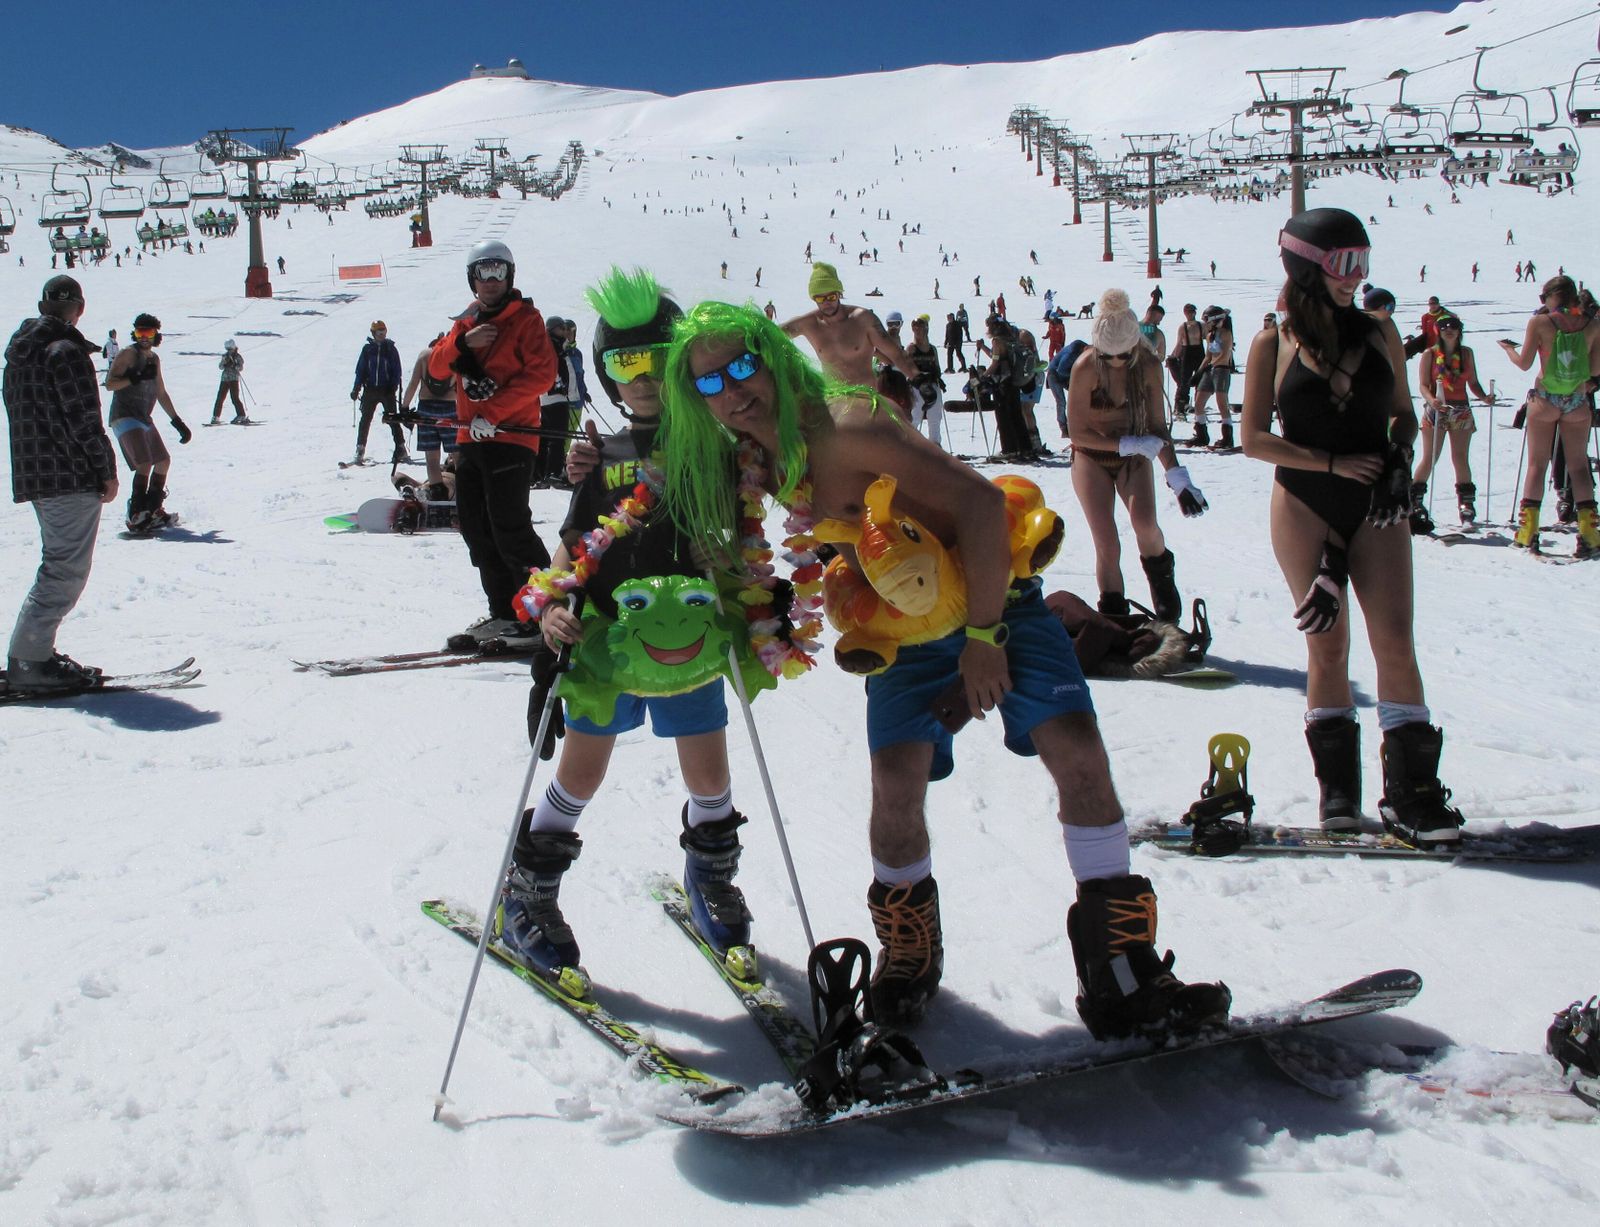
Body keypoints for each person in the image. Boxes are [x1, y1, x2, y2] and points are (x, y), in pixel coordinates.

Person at [656, 300, 1231, 1039]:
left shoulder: (846, 425)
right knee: (895, 787)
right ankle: (908, 957)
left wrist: (986, 638)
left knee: (1078, 755)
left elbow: (983, 504)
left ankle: (1121, 965)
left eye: (743, 365)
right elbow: (658, 467)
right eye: (710, 383)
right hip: (903, 630)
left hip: (996, 598)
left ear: (772, 354)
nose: (733, 390)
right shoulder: (754, 459)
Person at [499, 267, 756, 983]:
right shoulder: (599, 458)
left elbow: (746, 541)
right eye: (623, 363)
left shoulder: (712, 447)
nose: (641, 379)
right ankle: (529, 889)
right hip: (609, 639)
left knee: (709, 768)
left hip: (690, 643)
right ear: (607, 375)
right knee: (582, 768)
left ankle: (710, 876)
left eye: (655, 359)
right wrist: (550, 602)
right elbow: (573, 543)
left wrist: (726, 557)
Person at [1240, 207, 1463, 846]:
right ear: (1307, 266)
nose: (1355, 277)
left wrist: (1397, 459)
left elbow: (1401, 412)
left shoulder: (1379, 332)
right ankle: (1338, 789)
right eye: (1343, 264)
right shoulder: (1271, 343)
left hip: (1376, 505)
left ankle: (1411, 792)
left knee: (1395, 639)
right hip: (1304, 503)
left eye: (1362, 263)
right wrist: (1332, 461)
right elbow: (1255, 440)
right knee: (1327, 645)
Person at [427, 239, 558, 643]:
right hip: (471, 438)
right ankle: (504, 611)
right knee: (476, 527)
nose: (491, 280)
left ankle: (542, 614)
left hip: (512, 437)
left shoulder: (526, 319)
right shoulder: (465, 322)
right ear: (472, 278)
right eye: (483, 271)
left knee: (509, 526)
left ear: (510, 275)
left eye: (499, 271)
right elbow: (436, 366)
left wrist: (493, 412)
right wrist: (463, 344)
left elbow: (542, 375)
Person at [4, 276, 118, 692]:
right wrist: (105, 469)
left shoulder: (19, 355)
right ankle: (30, 663)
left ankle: (31, 656)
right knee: (64, 571)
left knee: (58, 565)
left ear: (42, 305)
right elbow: (84, 418)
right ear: (79, 309)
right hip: (69, 474)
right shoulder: (66, 352)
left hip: (36, 475)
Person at [1068, 289, 1206, 621]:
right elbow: (1077, 433)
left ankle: (1162, 580)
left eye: (1122, 355)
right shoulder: (1085, 366)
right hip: (1091, 457)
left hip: (1135, 455)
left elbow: (1158, 425)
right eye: (1109, 356)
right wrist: (1124, 444)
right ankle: (1113, 610)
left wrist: (1177, 475)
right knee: (1107, 541)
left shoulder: (1147, 365)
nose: (1116, 362)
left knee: (1145, 524)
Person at [1498, 275, 1600, 556]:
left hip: (1544, 399)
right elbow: (1595, 369)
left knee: (1537, 464)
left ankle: (1528, 530)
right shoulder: (1592, 324)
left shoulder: (1540, 323)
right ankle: (1590, 532)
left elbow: (1525, 363)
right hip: (1577, 401)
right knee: (1578, 466)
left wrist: (1509, 350)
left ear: (1552, 297)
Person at [105, 312, 190, 533]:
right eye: (140, 332)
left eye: (148, 332)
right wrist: (133, 378)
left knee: (163, 461)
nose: (144, 336)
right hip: (124, 415)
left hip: (143, 416)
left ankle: (152, 509)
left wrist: (177, 421)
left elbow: (160, 392)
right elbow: (110, 384)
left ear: (155, 335)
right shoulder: (127, 354)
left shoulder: (154, 359)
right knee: (144, 462)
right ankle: (136, 513)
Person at [1409, 315, 1494, 531]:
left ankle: (1466, 503)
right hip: (1436, 409)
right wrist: (1432, 401)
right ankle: (1414, 501)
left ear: (1459, 332)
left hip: (1460, 409)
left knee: (1460, 457)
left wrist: (1484, 397)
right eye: (1445, 327)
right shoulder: (1429, 354)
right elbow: (1423, 385)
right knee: (1431, 457)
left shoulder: (1466, 354)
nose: (1449, 330)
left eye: (1454, 328)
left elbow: (1472, 381)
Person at [782, 263, 917, 387]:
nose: (826, 302)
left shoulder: (863, 319)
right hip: (833, 400)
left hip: (865, 398)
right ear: (813, 299)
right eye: (820, 298)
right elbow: (769, 334)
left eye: (831, 297)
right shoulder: (809, 324)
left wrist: (920, 381)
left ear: (839, 294)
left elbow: (896, 354)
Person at [399, 334, 457, 500]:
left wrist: (404, 408)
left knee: (432, 457)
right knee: (458, 454)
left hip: (426, 409)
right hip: (449, 409)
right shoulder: (454, 356)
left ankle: (438, 491)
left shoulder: (424, 355)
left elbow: (413, 384)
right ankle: (465, 490)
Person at [350, 322, 408, 464]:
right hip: (370, 389)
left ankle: (401, 448)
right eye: (379, 332)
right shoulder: (368, 349)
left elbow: (396, 370)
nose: (382, 334)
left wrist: (393, 386)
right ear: (373, 333)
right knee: (365, 420)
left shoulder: (390, 349)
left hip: (386, 390)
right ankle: (360, 449)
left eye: (383, 331)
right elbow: (361, 370)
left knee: (393, 419)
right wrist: (356, 387)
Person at [534, 317, 580, 487]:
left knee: (547, 436)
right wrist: (558, 384)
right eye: (561, 327)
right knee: (557, 436)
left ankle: (541, 473)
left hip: (551, 396)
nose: (564, 331)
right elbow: (551, 366)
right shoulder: (552, 345)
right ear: (553, 329)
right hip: (556, 396)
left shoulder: (555, 344)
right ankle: (553, 473)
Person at [1187, 307, 1235, 448]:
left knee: (1222, 404)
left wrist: (1212, 365)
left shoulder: (1226, 334)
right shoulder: (1209, 336)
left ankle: (1227, 437)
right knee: (1199, 403)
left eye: (1207, 320)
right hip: (1210, 370)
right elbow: (1208, 356)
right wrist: (1199, 373)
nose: (1205, 323)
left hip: (1221, 370)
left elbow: (1224, 354)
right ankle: (1201, 435)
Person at [904, 314, 946, 449]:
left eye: (920, 328)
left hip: (932, 384)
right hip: (917, 385)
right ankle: (912, 443)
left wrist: (936, 376)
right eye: (914, 328)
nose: (917, 331)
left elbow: (937, 366)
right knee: (916, 414)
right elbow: (907, 366)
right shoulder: (911, 348)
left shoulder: (932, 349)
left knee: (935, 415)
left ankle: (935, 443)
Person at [1170, 304, 1204, 417]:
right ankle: (1180, 407)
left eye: (1192, 311)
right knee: (1184, 382)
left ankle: (1199, 406)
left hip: (1199, 354)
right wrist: (1173, 356)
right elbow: (1179, 343)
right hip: (1187, 354)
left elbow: (1209, 338)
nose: (1191, 314)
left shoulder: (1201, 325)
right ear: (1185, 313)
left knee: (1200, 382)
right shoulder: (1183, 327)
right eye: (1188, 312)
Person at [211, 339, 246, 424]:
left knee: (234, 398)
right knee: (220, 398)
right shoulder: (225, 356)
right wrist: (224, 362)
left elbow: (241, 367)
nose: (229, 351)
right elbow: (220, 367)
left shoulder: (238, 357)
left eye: (230, 349)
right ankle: (216, 416)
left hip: (234, 379)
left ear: (234, 348)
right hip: (224, 379)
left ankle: (241, 415)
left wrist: (234, 365)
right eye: (227, 349)